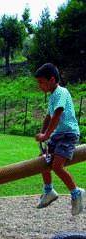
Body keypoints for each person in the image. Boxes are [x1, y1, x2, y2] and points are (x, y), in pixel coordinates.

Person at [34, 63, 85, 215]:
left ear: (51, 80)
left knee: (57, 165)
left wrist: (46, 135)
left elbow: (57, 114)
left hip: (68, 134)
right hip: (58, 135)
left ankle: (76, 193)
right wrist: (43, 133)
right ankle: (49, 190)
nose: (39, 86)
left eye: (41, 82)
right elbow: (49, 116)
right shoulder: (52, 97)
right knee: (42, 161)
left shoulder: (61, 92)